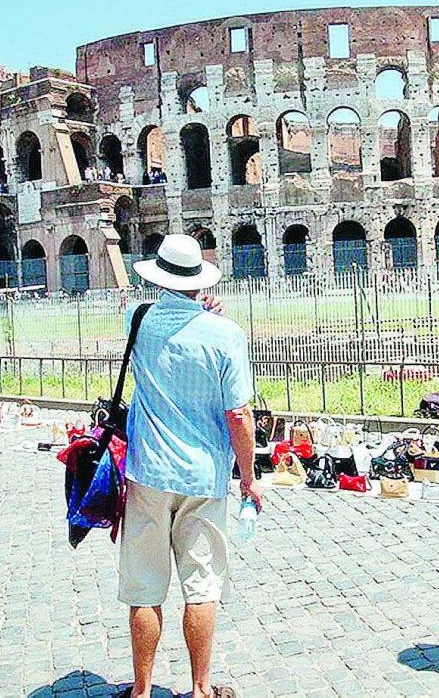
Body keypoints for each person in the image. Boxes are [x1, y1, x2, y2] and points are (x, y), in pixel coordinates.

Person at [121, 233, 259, 698]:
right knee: (201, 586)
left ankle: (142, 691)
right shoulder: (226, 334)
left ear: (157, 276)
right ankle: (201, 690)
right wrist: (249, 478)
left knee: (144, 587)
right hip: (204, 475)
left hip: (147, 472)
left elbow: (169, 328)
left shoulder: (135, 320)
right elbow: (237, 415)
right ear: (200, 282)